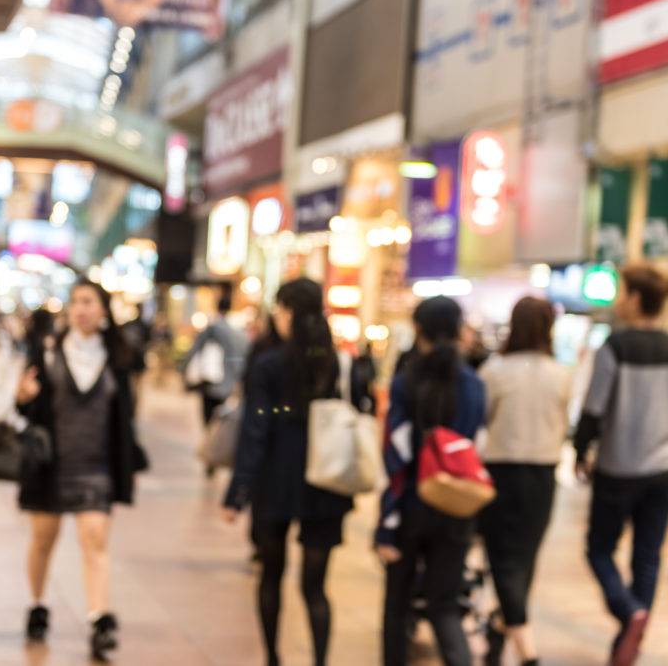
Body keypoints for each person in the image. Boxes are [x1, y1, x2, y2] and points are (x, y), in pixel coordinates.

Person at [14, 278, 147, 662]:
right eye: (76, 302)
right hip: (51, 464)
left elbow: (125, 417)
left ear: (104, 310)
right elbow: (27, 404)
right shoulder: (49, 351)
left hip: (98, 466)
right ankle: (37, 605)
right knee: (43, 538)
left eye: (89, 302)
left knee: (95, 540)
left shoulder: (118, 357)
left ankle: (98, 620)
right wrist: (23, 398)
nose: (81, 309)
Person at [222, 278, 352, 666]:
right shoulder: (338, 363)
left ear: (289, 311)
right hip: (326, 481)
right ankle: (320, 660)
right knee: (316, 588)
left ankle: (273, 658)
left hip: (275, 481)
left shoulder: (267, 365)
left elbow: (255, 430)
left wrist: (237, 492)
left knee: (271, 577)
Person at [573, 265, 668, 666]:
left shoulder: (616, 347)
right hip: (664, 469)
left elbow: (593, 407)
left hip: (619, 468)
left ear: (637, 299)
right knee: (648, 556)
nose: (617, 301)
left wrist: (580, 450)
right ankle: (634, 634)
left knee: (598, 550)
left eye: (621, 293)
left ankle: (628, 612)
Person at [378, 296, 487, 666]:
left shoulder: (406, 381)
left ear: (419, 330)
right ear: (458, 331)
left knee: (396, 607)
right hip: (457, 505)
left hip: (412, 505)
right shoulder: (473, 384)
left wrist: (386, 523)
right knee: (444, 606)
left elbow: (396, 456)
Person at [477, 296, 572, 666]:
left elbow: (482, 420)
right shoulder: (561, 374)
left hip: (501, 472)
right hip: (542, 476)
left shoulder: (495, 370)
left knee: (502, 558)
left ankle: (521, 648)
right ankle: (511, 641)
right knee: (525, 559)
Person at [184, 292, 249, 427]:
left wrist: (184, 370)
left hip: (210, 381)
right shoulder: (238, 332)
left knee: (208, 420)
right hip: (228, 384)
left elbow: (194, 350)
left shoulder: (212, 328)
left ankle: (210, 445)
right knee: (222, 421)